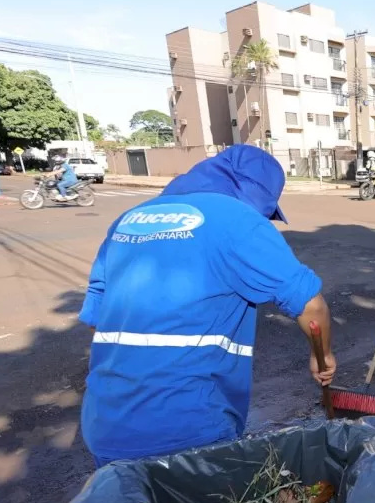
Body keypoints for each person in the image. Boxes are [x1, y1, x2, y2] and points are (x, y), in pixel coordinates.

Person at [77, 145, 336, 467]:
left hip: (106, 422)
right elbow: (311, 307)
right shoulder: (237, 219)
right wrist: (321, 356)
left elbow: (96, 320)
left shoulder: (128, 220)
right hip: (188, 424)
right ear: (256, 196)